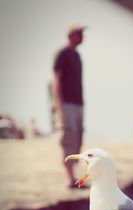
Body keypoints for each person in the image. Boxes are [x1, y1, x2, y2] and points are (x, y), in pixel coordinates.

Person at [52, 25, 86, 188]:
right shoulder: (63, 53)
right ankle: (70, 179)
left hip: (78, 102)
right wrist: (57, 102)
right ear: (71, 35)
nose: (82, 36)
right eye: (79, 34)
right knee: (68, 136)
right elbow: (57, 78)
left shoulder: (77, 55)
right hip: (66, 103)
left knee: (78, 136)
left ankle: (75, 177)